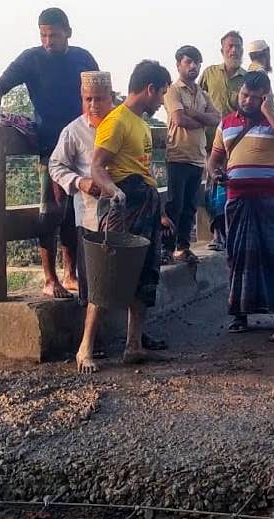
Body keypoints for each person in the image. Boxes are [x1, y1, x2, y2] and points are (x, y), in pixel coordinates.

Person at [0, 8, 98, 299]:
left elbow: (99, 94)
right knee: (51, 211)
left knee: (74, 214)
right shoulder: (31, 59)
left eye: (53, 34)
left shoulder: (83, 58)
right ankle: (49, 278)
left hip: (82, 143)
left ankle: (71, 274)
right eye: (43, 35)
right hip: (50, 147)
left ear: (68, 32)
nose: (48, 41)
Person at [76, 60, 172, 373]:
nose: (161, 101)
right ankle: (85, 347)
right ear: (150, 89)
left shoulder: (141, 123)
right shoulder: (116, 121)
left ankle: (134, 345)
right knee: (108, 273)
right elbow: (97, 166)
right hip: (121, 203)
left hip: (144, 201)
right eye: (161, 95)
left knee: (145, 274)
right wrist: (114, 192)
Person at [206, 71, 274, 342]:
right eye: (244, 94)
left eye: (254, 97)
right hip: (237, 198)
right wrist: (215, 173)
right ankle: (240, 313)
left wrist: (268, 112)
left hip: (269, 200)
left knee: (273, 254)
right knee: (239, 255)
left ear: (265, 98)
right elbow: (213, 161)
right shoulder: (225, 124)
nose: (246, 100)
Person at [49, 71, 117, 307]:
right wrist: (80, 182)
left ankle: (131, 334)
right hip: (89, 215)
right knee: (91, 280)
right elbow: (55, 165)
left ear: (111, 97)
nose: (94, 105)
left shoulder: (123, 123)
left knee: (124, 276)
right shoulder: (73, 130)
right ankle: (89, 337)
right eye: (88, 99)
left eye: (99, 99)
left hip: (123, 212)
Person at [164, 45, 220, 264]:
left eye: (197, 63)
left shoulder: (202, 93)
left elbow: (217, 119)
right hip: (178, 155)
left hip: (198, 158)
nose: (193, 66)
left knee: (190, 206)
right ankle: (167, 249)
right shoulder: (172, 90)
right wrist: (201, 119)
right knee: (174, 205)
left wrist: (193, 114)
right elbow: (179, 120)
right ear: (179, 64)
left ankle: (183, 247)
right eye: (188, 62)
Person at [200, 31, 247, 251]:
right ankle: (217, 234)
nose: (234, 50)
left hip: (238, 146)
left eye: (238, 46)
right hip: (211, 145)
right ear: (222, 50)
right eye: (230, 46)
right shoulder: (210, 74)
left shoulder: (247, 79)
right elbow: (197, 99)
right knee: (211, 192)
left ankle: (231, 234)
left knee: (232, 191)